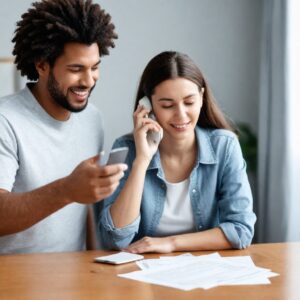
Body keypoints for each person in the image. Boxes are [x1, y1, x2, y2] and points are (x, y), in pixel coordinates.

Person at [0, 0, 127, 254]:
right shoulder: (5, 120)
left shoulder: (92, 118)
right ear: (42, 64)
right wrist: (67, 189)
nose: (88, 81)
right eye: (76, 69)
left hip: (73, 277)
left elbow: (85, 208)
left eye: (95, 67)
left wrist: (95, 262)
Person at [99, 51, 256, 253]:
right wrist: (142, 160)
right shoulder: (125, 148)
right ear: (147, 106)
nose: (181, 115)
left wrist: (170, 243)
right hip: (140, 275)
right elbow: (114, 239)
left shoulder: (225, 146)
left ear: (201, 97)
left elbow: (240, 229)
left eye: (189, 102)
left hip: (206, 273)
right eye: (167, 105)